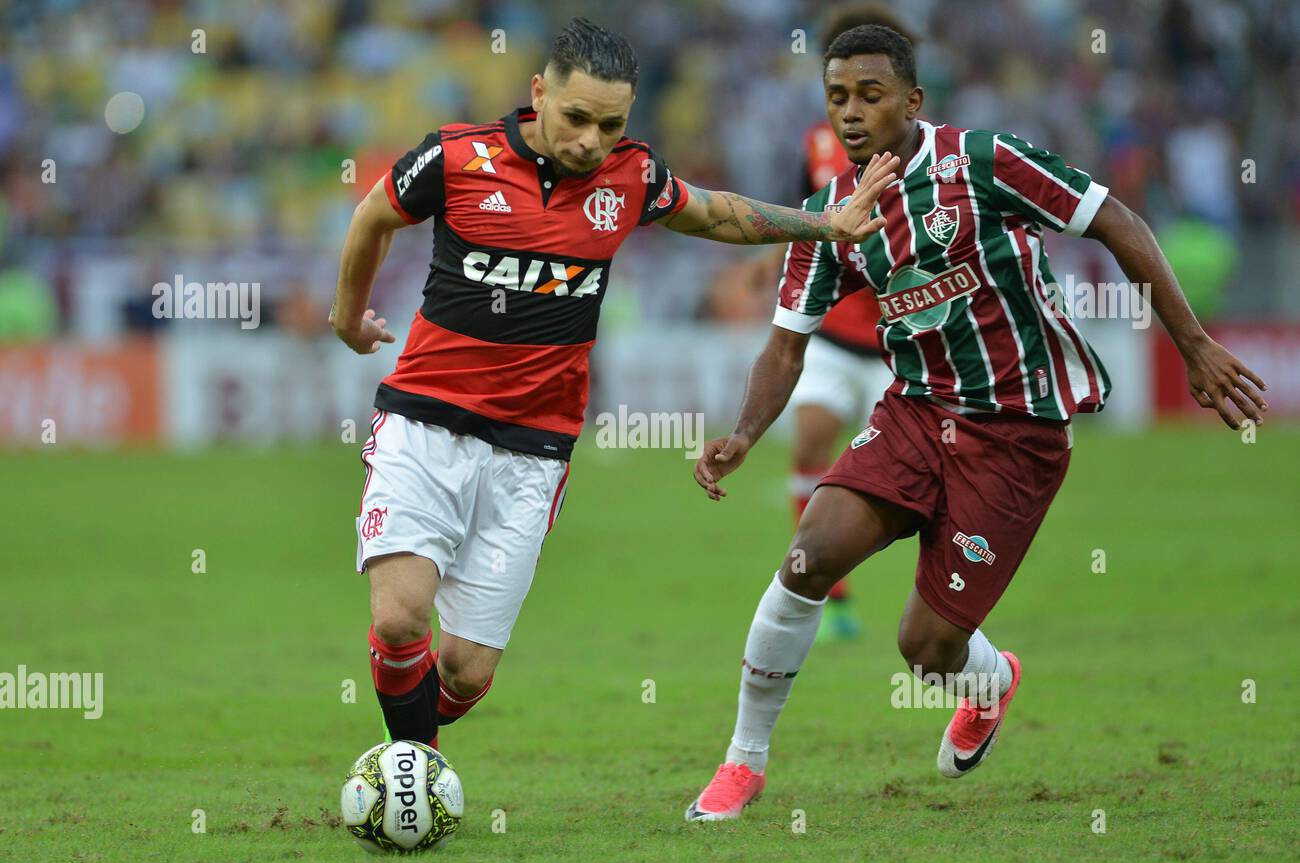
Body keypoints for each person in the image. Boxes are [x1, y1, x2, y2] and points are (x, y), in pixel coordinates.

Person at [685, 25, 1267, 820]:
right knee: (807, 556)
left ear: (912, 100)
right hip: (918, 410)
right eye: (837, 98)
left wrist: (1194, 344)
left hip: (1017, 433)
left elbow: (1116, 220)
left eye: (870, 95)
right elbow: (786, 345)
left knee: (925, 649)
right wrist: (744, 434)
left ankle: (988, 681)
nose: (851, 113)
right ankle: (742, 765)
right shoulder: (830, 216)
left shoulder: (986, 162)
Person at [328, 18, 899, 755]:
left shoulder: (629, 176)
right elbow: (374, 213)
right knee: (400, 618)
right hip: (424, 421)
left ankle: (414, 753)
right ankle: (417, 773)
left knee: (465, 673)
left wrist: (824, 225)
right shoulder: (458, 157)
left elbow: (717, 213)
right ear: (538, 93)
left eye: (610, 124)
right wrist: (348, 318)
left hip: (533, 450)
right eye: (575, 118)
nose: (590, 141)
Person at [789, 4, 917, 643]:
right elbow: (803, 219)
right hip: (836, 333)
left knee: (912, 479)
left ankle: (942, 609)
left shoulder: (933, 156)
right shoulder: (819, 145)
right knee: (810, 443)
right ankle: (831, 594)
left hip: (902, 340)